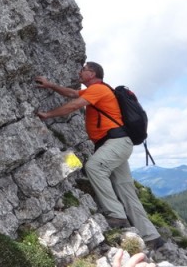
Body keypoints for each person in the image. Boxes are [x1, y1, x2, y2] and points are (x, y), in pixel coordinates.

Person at [35, 62, 165, 251]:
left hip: (116, 143)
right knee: (125, 189)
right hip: (117, 144)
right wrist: (50, 85)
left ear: (92, 73)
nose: (80, 72)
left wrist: (48, 114)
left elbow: (74, 105)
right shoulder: (95, 91)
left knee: (95, 167)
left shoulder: (98, 90)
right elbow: (72, 93)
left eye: (83, 69)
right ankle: (152, 236)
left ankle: (116, 215)